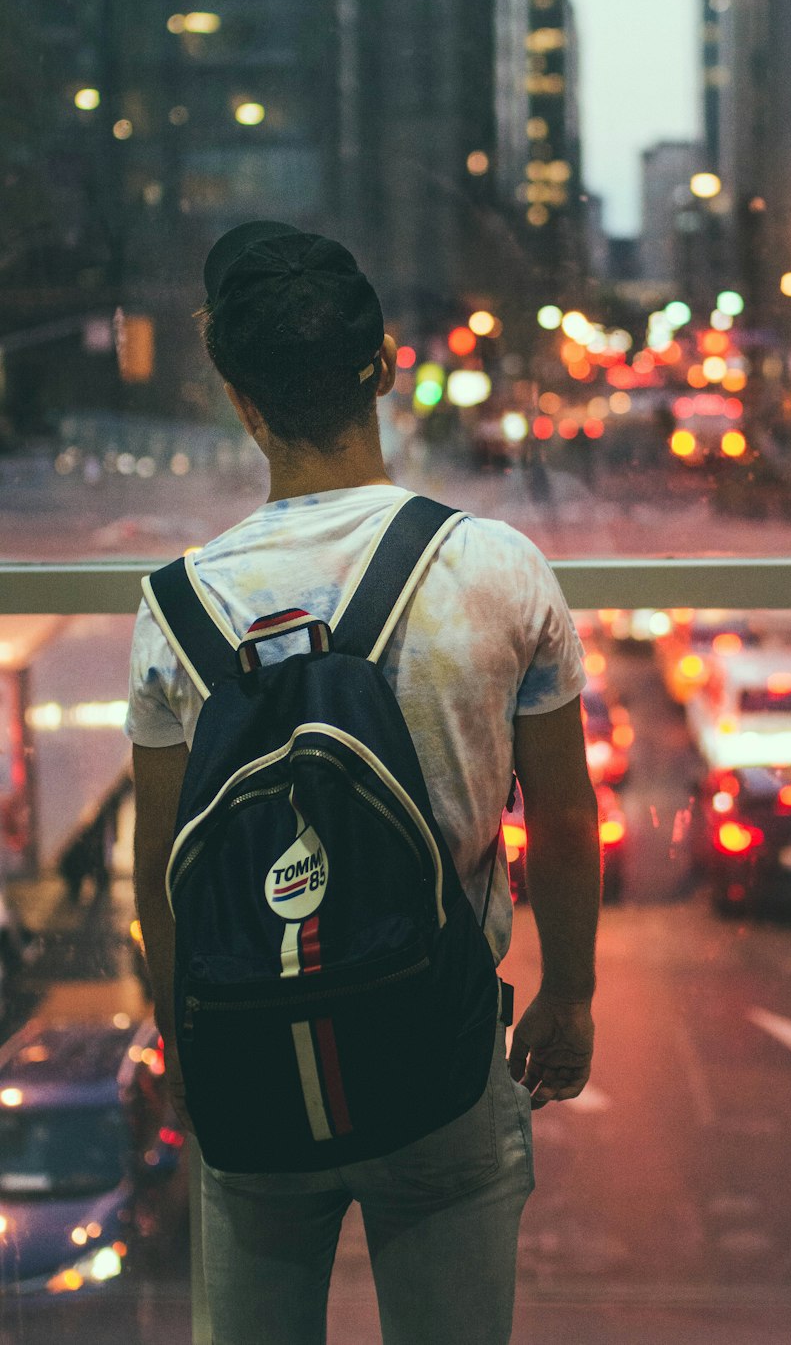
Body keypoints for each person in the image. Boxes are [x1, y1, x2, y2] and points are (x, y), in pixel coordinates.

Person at [127, 221, 601, 1345]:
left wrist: (181, 1043)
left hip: (250, 1061)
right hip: (437, 1060)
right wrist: (569, 993)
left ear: (238, 396)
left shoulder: (175, 608)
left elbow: (162, 871)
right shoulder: (496, 568)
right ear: (382, 365)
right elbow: (566, 815)